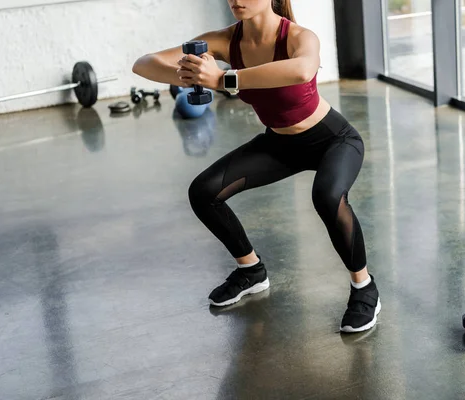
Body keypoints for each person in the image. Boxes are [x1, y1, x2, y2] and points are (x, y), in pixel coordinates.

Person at [132, 0, 380, 333]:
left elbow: (302, 69)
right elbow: (144, 65)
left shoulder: (297, 37)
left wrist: (223, 79)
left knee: (327, 196)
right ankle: (251, 271)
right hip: (279, 144)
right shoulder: (224, 41)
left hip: (333, 140)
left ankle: (364, 288)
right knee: (203, 192)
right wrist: (192, 73)